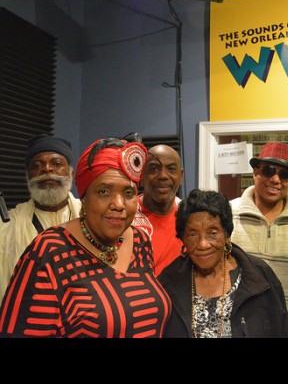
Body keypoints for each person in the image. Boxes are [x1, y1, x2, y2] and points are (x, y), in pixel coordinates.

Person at [0, 136, 171, 337]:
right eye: (104, 191)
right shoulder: (49, 251)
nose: (118, 203)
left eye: (128, 192)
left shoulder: (140, 241)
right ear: (85, 197)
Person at [158, 189, 288, 338]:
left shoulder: (260, 277)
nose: (203, 244)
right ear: (183, 238)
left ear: (226, 235)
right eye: (193, 234)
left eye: (213, 232)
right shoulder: (168, 283)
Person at [229, 142, 288, 332]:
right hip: (236, 329)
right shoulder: (228, 214)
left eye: (285, 174)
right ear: (255, 172)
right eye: (269, 170)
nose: (276, 179)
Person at [0, 133, 81, 301]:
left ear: (71, 174)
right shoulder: (6, 226)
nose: (46, 169)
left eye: (56, 163)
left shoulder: (92, 217)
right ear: (28, 177)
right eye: (37, 165)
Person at [134, 144, 183, 275]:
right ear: (142, 176)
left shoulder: (188, 216)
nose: (163, 176)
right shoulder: (126, 217)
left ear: (180, 176)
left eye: (171, 169)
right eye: (154, 169)